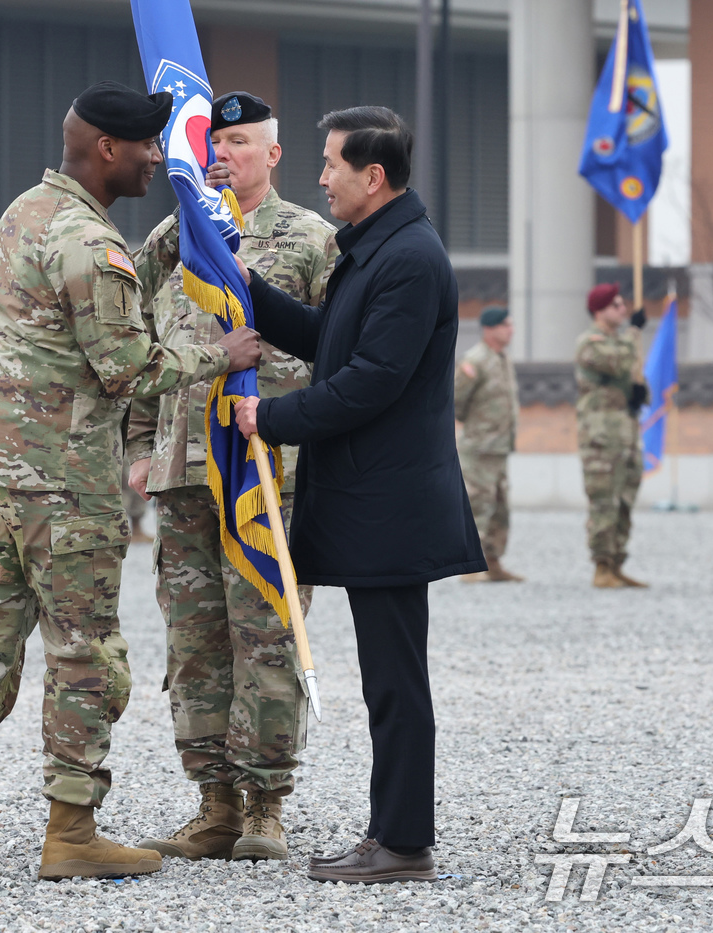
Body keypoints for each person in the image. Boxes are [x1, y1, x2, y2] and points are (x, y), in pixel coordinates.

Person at [0, 80, 262, 882]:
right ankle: (71, 830)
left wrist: (179, 230)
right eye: (146, 150)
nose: (153, 162)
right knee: (84, 652)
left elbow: (91, 288)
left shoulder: (29, 210)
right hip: (60, 480)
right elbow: (125, 365)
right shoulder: (89, 245)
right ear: (109, 149)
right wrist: (223, 356)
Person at [232, 105, 485, 883]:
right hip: (376, 504)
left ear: (373, 177)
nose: (321, 177)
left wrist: (268, 417)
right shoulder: (378, 248)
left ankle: (403, 842)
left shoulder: (408, 257)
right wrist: (245, 286)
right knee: (388, 679)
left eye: (332, 164)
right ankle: (392, 830)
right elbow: (329, 339)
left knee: (396, 683)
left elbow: (370, 382)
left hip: (393, 511)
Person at [127, 91, 338, 863]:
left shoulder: (309, 238)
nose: (223, 154)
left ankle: (266, 803)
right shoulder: (172, 232)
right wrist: (136, 448)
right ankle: (212, 800)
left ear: (273, 155)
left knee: (268, 637)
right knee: (195, 642)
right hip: (182, 469)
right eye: (213, 142)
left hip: (264, 470)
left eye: (240, 142)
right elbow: (137, 341)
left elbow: (335, 354)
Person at [575, 283, 648, 588]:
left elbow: (634, 377)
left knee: (624, 501)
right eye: (616, 305)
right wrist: (634, 333)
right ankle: (601, 566)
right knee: (604, 501)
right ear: (599, 310)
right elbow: (617, 363)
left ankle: (617, 562)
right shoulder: (590, 342)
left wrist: (639, 393)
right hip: (601, 438)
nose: (623, 309)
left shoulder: (620, 342)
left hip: (626, 435)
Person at [455, 305, 522, 583]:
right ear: (490, 329)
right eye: (506, 325)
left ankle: (492, 561)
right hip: (480, 446)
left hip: (499, 446)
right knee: (478, 504)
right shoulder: (475, 360)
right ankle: (471, 567)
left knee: (499, 506)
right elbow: (457, 402)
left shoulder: (502, 358)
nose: (511, 329)